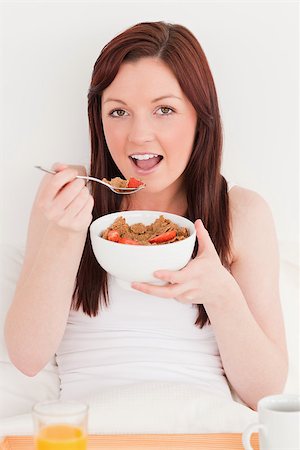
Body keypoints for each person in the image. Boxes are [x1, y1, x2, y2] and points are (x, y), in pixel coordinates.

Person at [4, 21, 288, 411]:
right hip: (92, 431)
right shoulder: (70, 195)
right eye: (118, 111)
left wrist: (222, 295)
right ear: (98, 119)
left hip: (203, 431)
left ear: (200, 118)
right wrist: (65, 237)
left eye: (164, 110)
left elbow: (267, 393)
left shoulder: (241, 213)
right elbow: (26, 356)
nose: (139, 135)